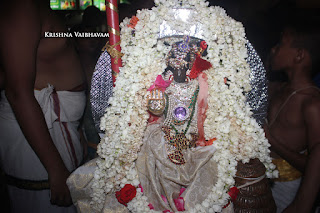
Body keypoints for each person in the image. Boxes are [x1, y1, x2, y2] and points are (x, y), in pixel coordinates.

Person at [0, 0, 86, 212]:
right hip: (38, 131)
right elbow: (17, 91)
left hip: (58, 125)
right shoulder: (22, 5)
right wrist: (55, 169)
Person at [264, 19, 320, 213]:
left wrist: (272, 141)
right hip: (263, 177)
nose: (273, 49)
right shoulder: (280, 88)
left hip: (287, 188)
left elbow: (314, 164)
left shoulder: (311, 103)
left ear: (299, 56)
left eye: (280, 44)